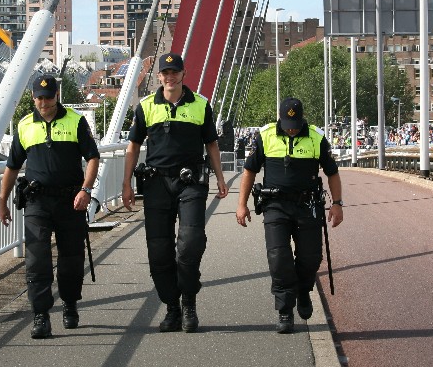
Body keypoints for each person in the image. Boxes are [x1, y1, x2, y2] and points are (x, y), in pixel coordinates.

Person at [122, 52, 229, 333]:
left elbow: (212, 144)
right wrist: (126, 184)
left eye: (175, 72)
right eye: (165, 73)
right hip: (157, 184)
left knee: (190, 244)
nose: (170, 77)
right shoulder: (146, 107)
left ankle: (189, 301)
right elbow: (133, 146)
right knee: (159, 253)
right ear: (159, 76)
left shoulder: (201, 105)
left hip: (190, 182)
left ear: (183, 74)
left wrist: (220, 178)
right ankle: (172, 307)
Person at [0, 75, 100, 339]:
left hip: (71, 201)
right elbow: (12, 167)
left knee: (72, 258)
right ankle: (40, 315)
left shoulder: (76, 121)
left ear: (57, 96)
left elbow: (92, 157)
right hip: (37, 202)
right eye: (39, 98)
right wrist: (2, 201)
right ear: (33, 98)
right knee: (37, 260)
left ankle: (70, 303)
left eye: (48, 97)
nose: (44, 103)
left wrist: (86, 190)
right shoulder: (24, 125)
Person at [235, 97, 343, 334]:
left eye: (294, 125)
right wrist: (241, 204)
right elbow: (249, 171)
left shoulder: (316, 138)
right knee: (278, 257)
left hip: (308, 206)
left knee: (311, 258)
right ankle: (285, 310)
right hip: (275, 206)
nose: (291, 129)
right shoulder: (265, 136)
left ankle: (303, 290)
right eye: (287, 125)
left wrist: (337, 204)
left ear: (302, 120)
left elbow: (332, 173)